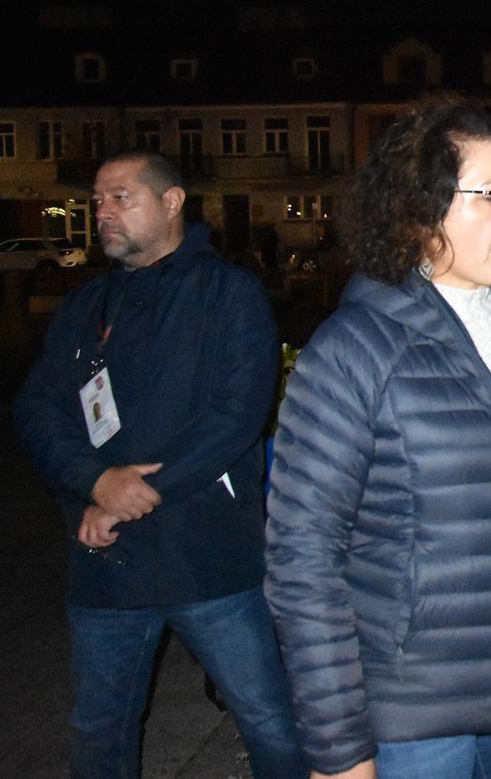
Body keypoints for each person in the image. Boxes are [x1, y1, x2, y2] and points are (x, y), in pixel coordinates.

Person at [264, 98, 491, 779]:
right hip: (412, 716)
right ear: (420, 208)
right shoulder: (355, 349)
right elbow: (302, 557)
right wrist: (339, 749)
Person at [14, 150, 306, 779]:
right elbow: (38, 408)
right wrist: (94, 482)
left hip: (207, 558)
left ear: (172, 202)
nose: (103, 212)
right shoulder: (86, 307)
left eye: (121, 197)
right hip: (107, 563)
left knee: (269, 721)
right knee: (100, 730)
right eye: (97, 200)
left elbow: (236, 414)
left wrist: (136, 493)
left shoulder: (227, 294)